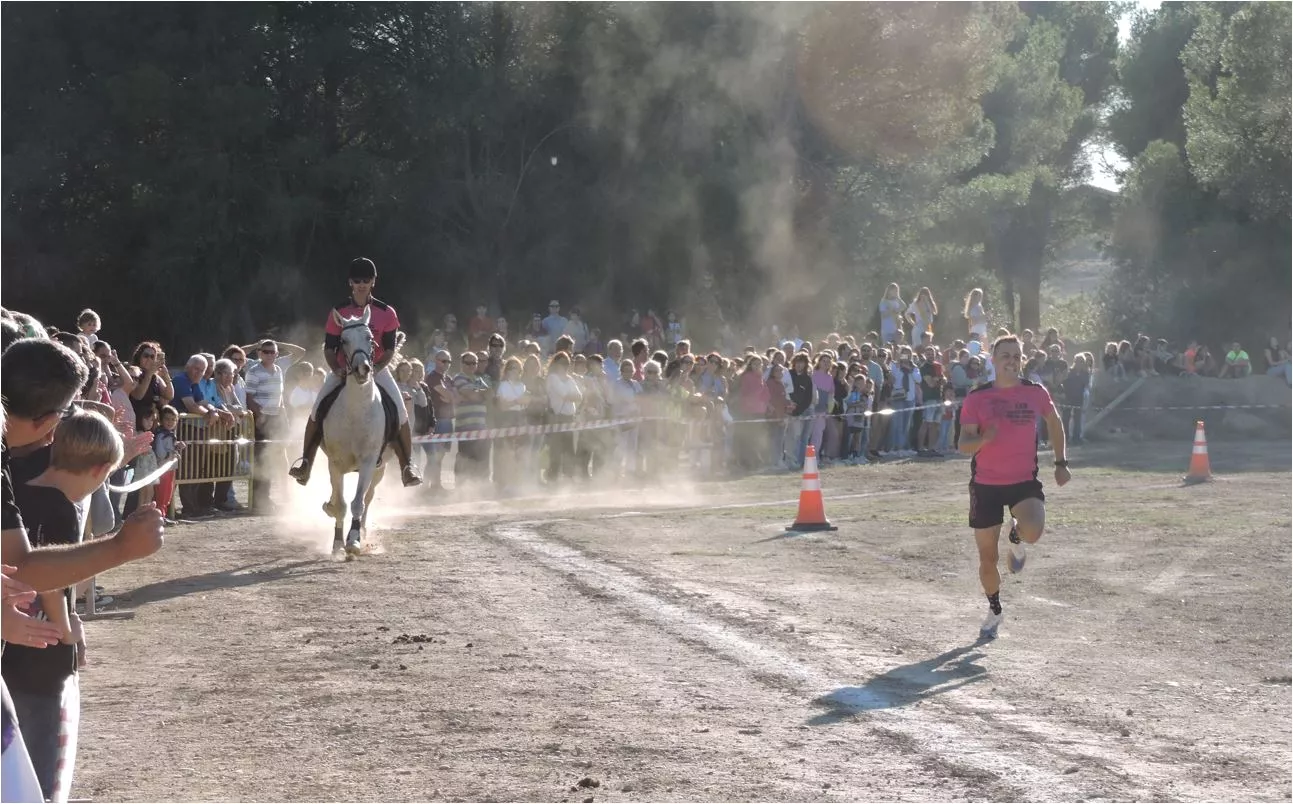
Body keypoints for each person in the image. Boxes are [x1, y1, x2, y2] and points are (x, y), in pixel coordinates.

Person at [958, 334, 1071, 639]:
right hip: (985, 485)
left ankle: (1016, 535)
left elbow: (1055, 421)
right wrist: (984, 438)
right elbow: (963, 444)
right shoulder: (977, 397)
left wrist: (1061, 463)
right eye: (1005, 355)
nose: (1011, 360)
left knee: (1033, 531)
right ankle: (995, 609)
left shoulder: (1034, 392)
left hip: (1023, 481)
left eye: (1016, 355)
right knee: (988, 559)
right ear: (993, 360)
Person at [288, 258, 422, 487]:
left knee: (400, 412)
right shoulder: (338, 311)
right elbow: (329, 348)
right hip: (344, 369)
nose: (362, 284)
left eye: (366, 280)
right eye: (357, 280)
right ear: (350, 282)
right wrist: (337, 369)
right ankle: (305, 463)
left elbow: (389, 348)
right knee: (316, 409)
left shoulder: (386, 312)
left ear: (373, 282)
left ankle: (407, 466)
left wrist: (378, 368)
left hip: (377, 369)